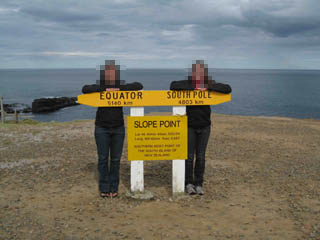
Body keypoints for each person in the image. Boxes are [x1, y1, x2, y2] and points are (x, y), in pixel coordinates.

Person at [82, 60, 143, 198]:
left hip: (118, 128)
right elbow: (85, 89)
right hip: (101, 128)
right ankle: (104, 187)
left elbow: (138, 85)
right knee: (103, 159)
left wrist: (119, 89)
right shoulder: (100, 86)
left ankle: (113, 187)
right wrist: (103, 89)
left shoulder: (120, 86)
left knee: (115, 160)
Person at [170, 60, 232, 195]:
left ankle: (199, 184)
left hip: (205, 127)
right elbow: (173, 85)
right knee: (189, 157)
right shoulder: (188, 84)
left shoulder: (209, 84)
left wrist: (208, 88)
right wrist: (194, 88)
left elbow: (227, 88)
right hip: (189, 126)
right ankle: (188, 183)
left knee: (201, 157)